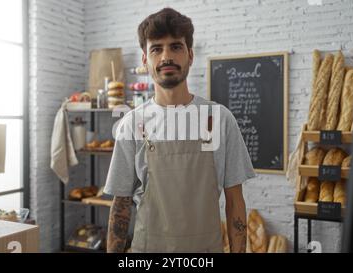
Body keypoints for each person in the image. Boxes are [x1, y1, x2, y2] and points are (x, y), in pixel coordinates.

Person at [104, 7, 255, 253]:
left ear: (190, 55)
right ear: (145, 59)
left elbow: (235, 201)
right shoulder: (132, 124)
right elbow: (120, 205)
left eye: (176, 47)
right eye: (156, 48)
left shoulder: (218, 119)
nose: (166, 57)